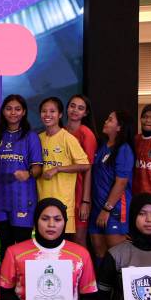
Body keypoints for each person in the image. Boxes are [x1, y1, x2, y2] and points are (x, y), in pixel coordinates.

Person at [0, 94, 43, 263]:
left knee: (23, 246)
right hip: (0, 201)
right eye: (9, 109)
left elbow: (38, 168)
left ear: (24, 112)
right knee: (5, 245)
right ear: (3, 111)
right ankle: (5, 279)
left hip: (23, 200)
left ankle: (22, 279)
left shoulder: (31, 136)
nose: (13, 113)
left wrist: (28, 173)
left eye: (17, 109)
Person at [37, 97, 90, 237]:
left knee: (62, 246)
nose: (47, 115)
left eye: (52, 111)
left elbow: (85, 165)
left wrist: (58, 169)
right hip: (42, 203)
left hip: (62, 204)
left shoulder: (68, 138)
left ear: (60, 114)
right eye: (44, 111)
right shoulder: (38, 138)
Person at [90, 110, 135, 261]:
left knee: (117, 257)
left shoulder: (124, 149)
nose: (105, 122)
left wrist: (107, 209)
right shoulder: (102, 146)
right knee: (99, 254)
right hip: (97, 208)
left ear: (119, 127)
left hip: (114, 210)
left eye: (110, 120)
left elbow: (121, 182)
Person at [65, 94, 98, 246]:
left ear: (85, 113)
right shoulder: (61, 131)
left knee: (78, 240)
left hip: (79, 194)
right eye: (72, 106)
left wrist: (85, 201)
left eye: (80, 108)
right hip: (63, 192)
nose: (75, 110)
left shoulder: (87, 134)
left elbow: (88, 169)